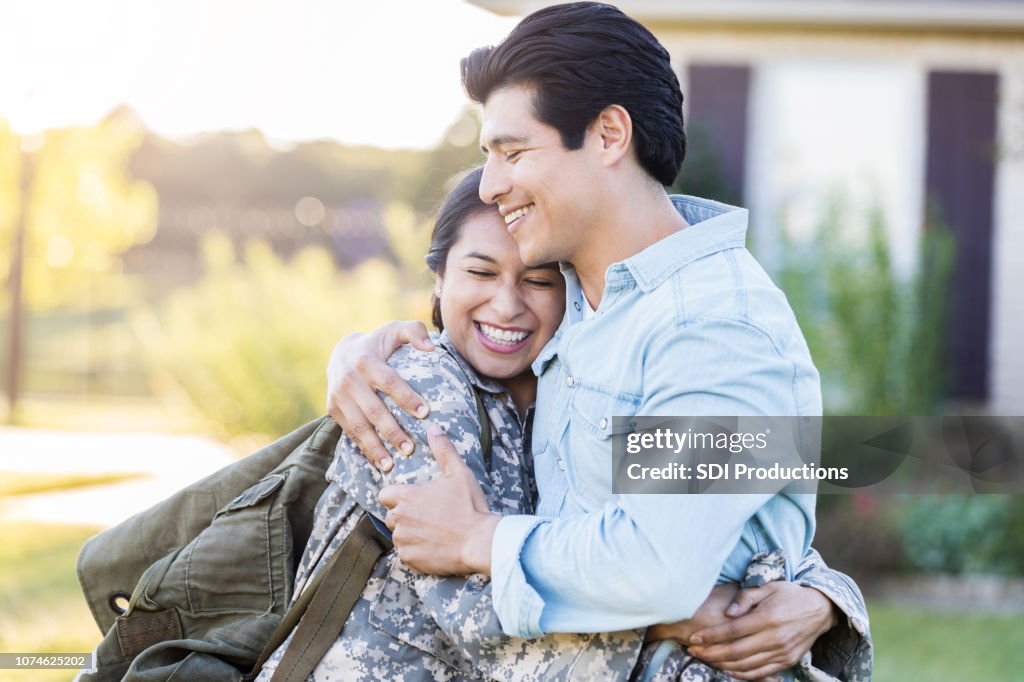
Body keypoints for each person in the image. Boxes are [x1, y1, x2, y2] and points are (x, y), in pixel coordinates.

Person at [324, 3, 872, 681]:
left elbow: (658, 562)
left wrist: (477, 539)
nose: (492, 186)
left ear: (610, 134)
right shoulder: (580, 304)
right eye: (487, 157)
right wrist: (360, 348)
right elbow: (750, 497)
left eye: (513, 152)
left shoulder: (715, 324)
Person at [258, 167, 860, 681]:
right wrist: (678, 606)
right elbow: (478, 615)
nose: (507, 304)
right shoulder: (417, 388)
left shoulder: (573, 387)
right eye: (481, 272)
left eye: (538, 280)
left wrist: (824, 600)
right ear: (439, 278)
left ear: (569, 290)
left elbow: (723, 514)